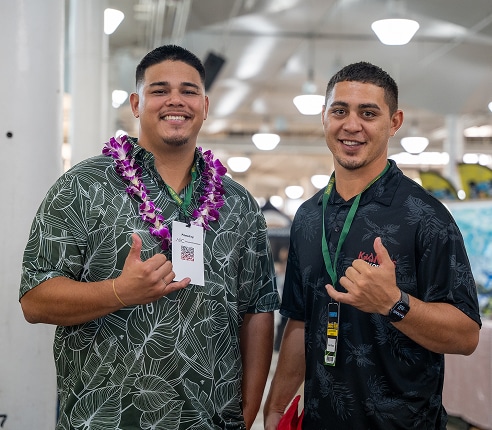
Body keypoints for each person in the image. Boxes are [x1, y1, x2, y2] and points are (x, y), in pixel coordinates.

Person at [19, 44, 280, 430]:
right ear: (137, 104)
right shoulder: (83, 187)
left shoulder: (238, 204)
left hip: (212, 421)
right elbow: (35, 300)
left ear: (205, 106)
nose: (176, 100)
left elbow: (257, 308)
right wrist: (119, 292)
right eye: (160, 90)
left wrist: (248, 409)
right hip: (106, 420)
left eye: (188, 91)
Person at [263, 61, 481, 429]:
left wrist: (394, 304)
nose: (352, 125)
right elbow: (299, 322)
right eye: (340, 111)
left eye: (368, 113)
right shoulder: (308, 216)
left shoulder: (425, 217)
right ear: (324, 117)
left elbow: (466, 334)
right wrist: (274, 410)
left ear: (393, 122)